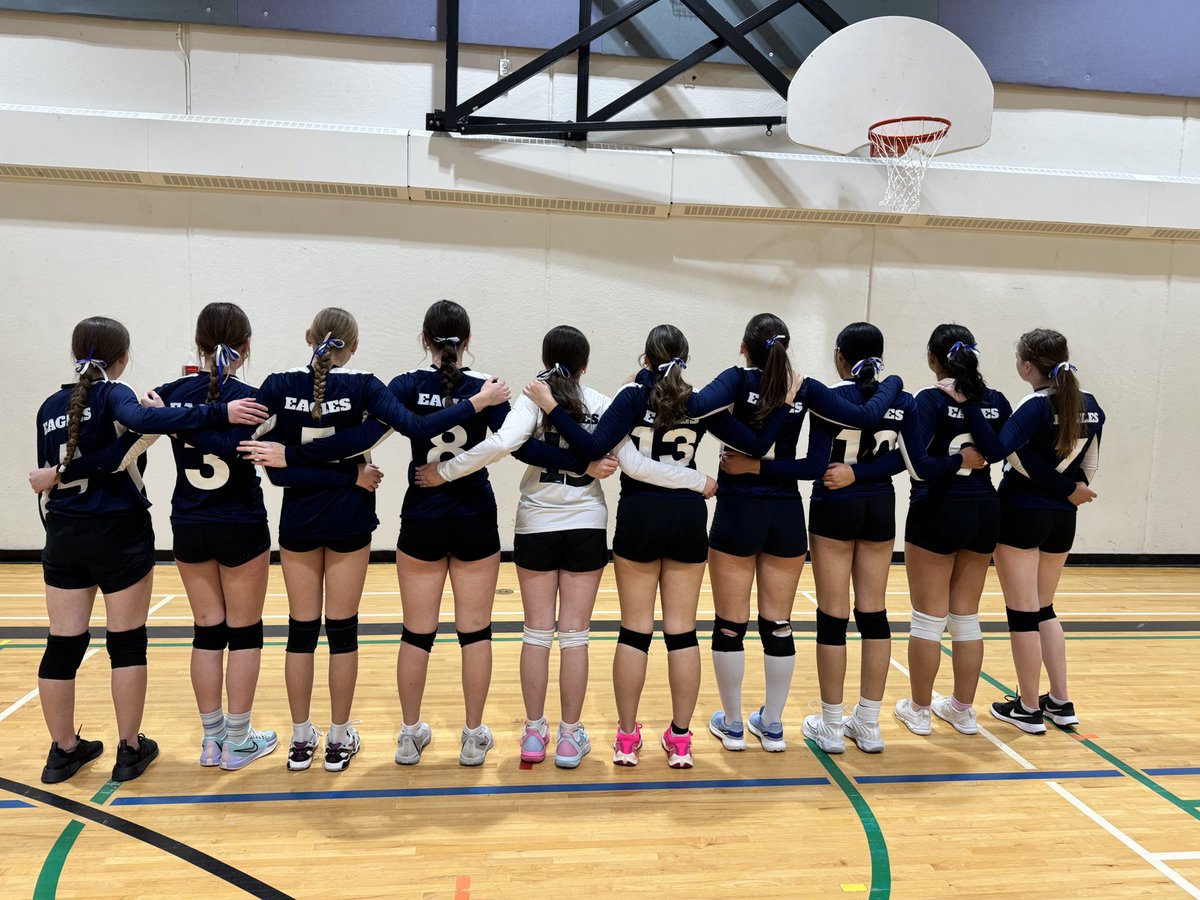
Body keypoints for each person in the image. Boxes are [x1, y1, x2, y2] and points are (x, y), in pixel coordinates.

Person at [416, 324, 714, 768]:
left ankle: (535, 735)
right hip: (587, 524)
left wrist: (447, 471)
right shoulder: (601, 402)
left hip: (536, 521)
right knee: (575, 636)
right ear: (586, 364)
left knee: (537, 633)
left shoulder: (533, 398)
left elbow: (502, 442)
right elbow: (615, 460)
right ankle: (572, 737)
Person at [234, 304, 509, 771]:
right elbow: (504, 444)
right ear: (466, 339)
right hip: (454, 515)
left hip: (357, 518)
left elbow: (270, 462)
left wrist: (294, 457)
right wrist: (470, 421)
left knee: (334, 632)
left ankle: (367, 737)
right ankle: (461, 737)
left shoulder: (390, 384)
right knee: (471, 631)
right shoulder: (379, 386)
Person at [524, 324, 789, 769]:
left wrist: (552, 406)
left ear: (645, 358)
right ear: (684, 359)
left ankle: (627, 738)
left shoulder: (631, 397)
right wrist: (781, 399)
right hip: (687, 518)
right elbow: (759, 444)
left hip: (640, 517)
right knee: (682, 633)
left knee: (635, 631)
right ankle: (680, 740)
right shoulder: (699, 401)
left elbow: (591, 447)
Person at [32, 315, 268, 784]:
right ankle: (134, 747)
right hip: (127, 532)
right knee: (132, 642)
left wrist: (59, 475)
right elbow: (131, 441)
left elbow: (66, 461)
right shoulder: (125, 397)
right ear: (123, 358)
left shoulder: (49, 406)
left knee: (63, 644)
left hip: (66, 533)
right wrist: (215, 411)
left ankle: (63, 751)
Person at [699, 316, 903, 754]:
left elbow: (696, 408)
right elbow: (819, 461)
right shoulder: (805, 387)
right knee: (778, 622)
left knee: (730, 625)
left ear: (743, 346)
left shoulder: (734, 382)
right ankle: (772, 726)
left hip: (738, 509)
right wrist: (896, 381)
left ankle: (733, 725)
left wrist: (742, 445)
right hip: (785, 515)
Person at [946, 328, 1103, 733]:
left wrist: (969, 406)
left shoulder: (1033, 406)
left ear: (1028, 365)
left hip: (1021, 512)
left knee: (1023, 613)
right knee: (1045, 608)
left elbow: (998, 450)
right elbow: (1089, 469)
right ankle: (1061, 701)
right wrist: (1067, 489)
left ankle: (1029, 708)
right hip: (1062, 519)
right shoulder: (1091, 405)